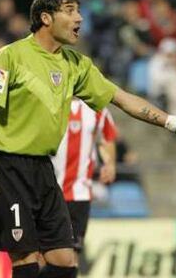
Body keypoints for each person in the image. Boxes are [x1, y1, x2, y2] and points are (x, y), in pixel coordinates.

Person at [0, 0, 176, 278]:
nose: (79, 18)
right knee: (26, 261)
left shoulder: (76, 65)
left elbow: (124, 100)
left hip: (43, 170)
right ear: (46, 18)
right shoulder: (10, 57)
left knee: (64, 260)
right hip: (8, 167)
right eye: (70, 11)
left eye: (79, 11)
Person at [51, 98, 117, 262]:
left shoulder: (97, 108)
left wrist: (110, 163)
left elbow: (107, 137)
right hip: (49, 193)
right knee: (44, 255)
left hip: (79, 194)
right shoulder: (49, 102)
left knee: (72, 257)